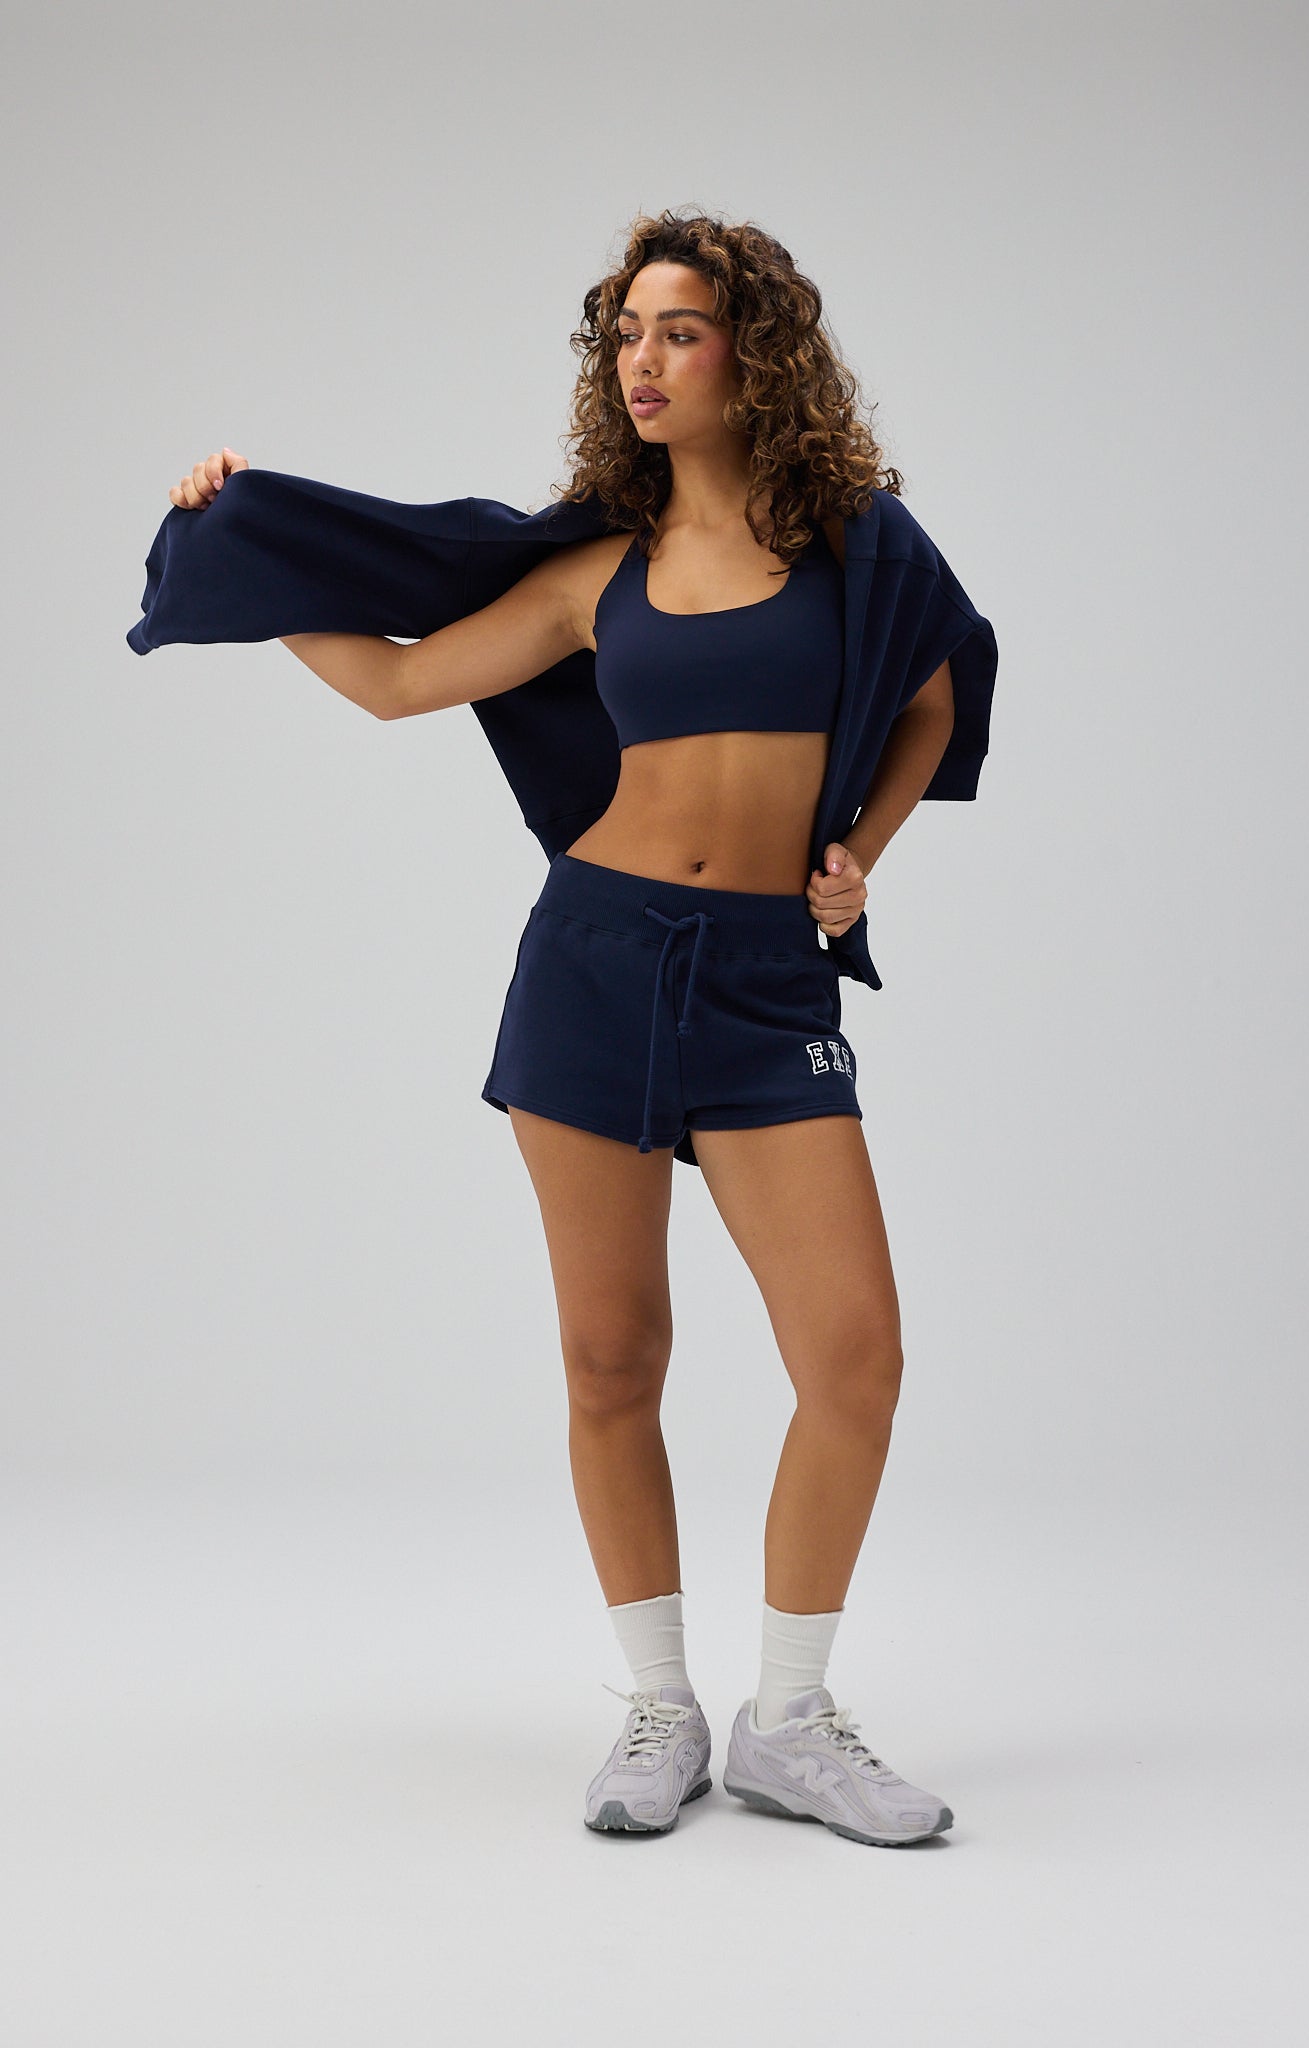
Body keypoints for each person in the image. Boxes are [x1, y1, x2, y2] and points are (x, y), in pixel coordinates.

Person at [160, 206, 997, 1847]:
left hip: (764, 982)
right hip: (594, 962)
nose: (641, 362)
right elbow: (399, 685)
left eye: (678, 331)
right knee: (613, 1356)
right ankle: (659, 1709)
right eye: (623, 335)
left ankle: (790, 1721)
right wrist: (236, 551)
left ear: (757, 353)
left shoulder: (860, 549)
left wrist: (858, 857)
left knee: (855, 1360)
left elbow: (935, 693)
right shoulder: (597, 571)